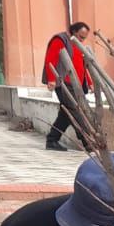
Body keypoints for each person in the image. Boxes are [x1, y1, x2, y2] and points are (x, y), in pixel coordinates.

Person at [43, 22, 93, 151]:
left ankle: (52, 140)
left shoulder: (77, 44)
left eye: (84, 38)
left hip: (76, 85)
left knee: (66, 113)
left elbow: (82, 66)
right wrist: (52, 79)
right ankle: (88, 142)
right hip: (63, 83)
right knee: (75, 110)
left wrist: (89, 82)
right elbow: (50, 59)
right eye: (81, 36)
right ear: (74, 31)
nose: (82, 40)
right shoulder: (60, 40)